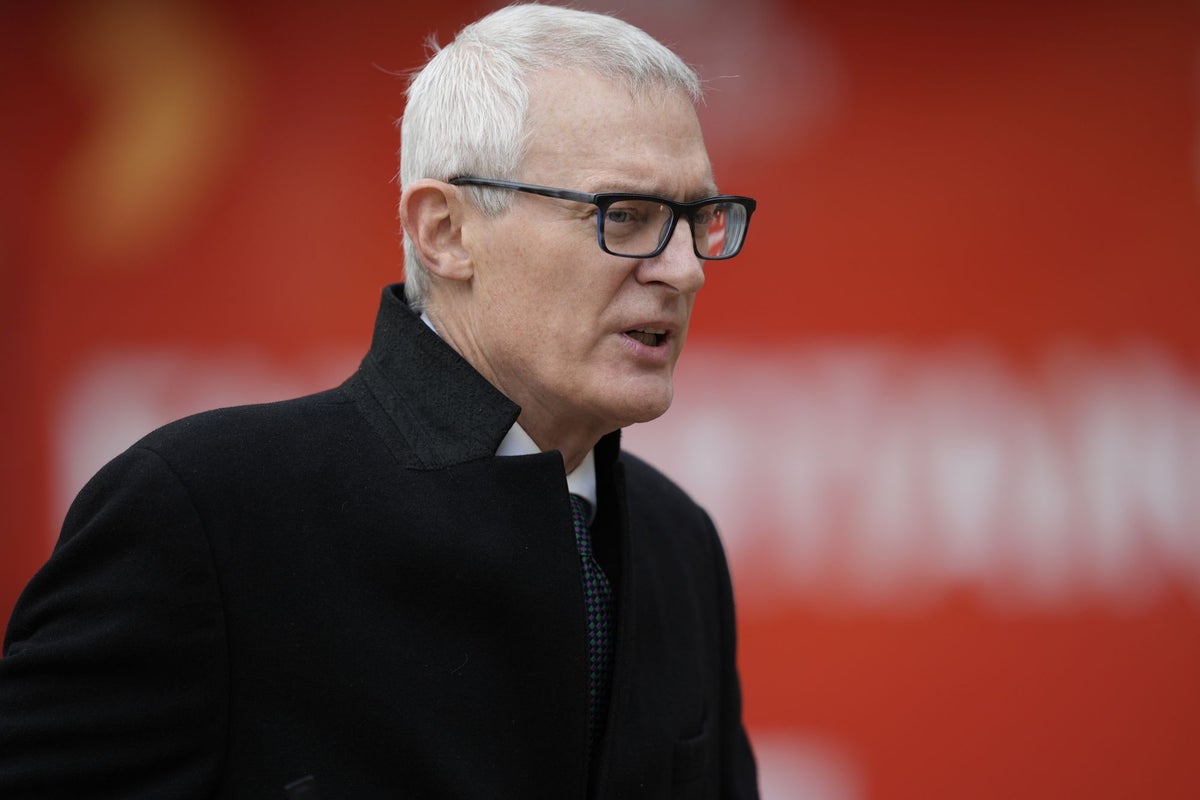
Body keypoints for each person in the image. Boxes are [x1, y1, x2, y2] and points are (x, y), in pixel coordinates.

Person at [0, 4, 759, 798]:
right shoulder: (204, 513)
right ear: (445, 231)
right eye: (625, 215)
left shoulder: (677, 542)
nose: (685, 270)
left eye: (698, 219)